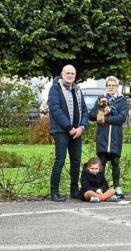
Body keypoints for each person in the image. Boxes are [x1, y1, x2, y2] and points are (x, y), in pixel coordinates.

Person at [47, 64, 89, 202]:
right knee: (60, 161)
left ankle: (74, 190)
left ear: (75, 75)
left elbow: (84, 109)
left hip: (77, 132)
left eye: (72, 73)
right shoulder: (55, 88)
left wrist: (81, 127)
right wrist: (69, 127)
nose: (70, 75)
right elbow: (55, 109)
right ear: (62, 74)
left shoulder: (77, 89)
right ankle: (54, 192)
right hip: (61, 131)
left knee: (76, 162)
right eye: (67, 73)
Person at [88, 76, 128, 199]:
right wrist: (100, 111)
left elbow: (121, 118)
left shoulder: (122, 100)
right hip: (103, 135)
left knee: (116, 161)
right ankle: (100, 187)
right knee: (102, 162)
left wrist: (105, 119)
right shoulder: (100, 99)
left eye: (113, 85)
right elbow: (91, 115)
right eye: (109, 85)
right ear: (106, 87)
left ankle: (117, 187)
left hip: (115, 135)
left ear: (117, 87)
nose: (111, 87)